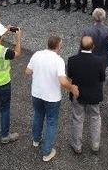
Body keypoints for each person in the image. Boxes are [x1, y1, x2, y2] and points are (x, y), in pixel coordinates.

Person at [25, 34, 78, 162]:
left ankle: (36, 140)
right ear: (58, 46)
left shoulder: (37, 54)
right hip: (52, 97)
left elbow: (27, 71)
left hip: (37, 93)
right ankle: (47, 151)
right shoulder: (58, 60)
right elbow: (63, 81)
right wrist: (72, 88)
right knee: (51, 122)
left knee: (38, 115)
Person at [67, 36, 105, 155]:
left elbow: (70, 77)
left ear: (80, 45)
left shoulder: (72, 60)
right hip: (94, 95)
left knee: (77, 119)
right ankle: (95, 145)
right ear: (93, 46)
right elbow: (102, 78)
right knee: (95, 118)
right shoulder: (99, 61)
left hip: (78, 94)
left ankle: (77, 146)